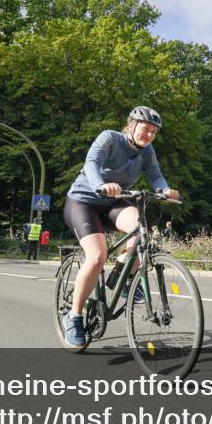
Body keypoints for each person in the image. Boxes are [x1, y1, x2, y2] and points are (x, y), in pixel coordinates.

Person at [61, 106, 180, 347]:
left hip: (114, 203)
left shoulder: (147, 152)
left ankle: (123, 278)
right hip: (83, 201)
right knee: (96, 257)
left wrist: (164, 190)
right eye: (146, 129)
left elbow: (156, 176)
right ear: (131, 125)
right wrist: (101, 184)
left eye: (154, 133)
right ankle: (74, 316)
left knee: (141, 228)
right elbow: (92, 162)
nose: (149, 136)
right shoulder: (109, 138)